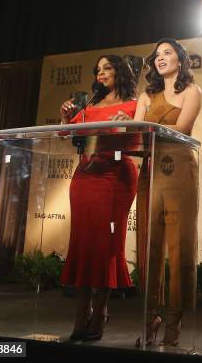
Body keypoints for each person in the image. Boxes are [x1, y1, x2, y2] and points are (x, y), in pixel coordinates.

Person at [59, 54, 138, 341]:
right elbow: (70, 134)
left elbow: (136, 141)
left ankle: (101, 310)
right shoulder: (90, 104)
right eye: (98, 69)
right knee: (82, 243)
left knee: (105, 244)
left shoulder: (133, 104)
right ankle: (82, 311)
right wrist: (66, 117)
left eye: (107, 68)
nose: (101, 73)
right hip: (84, 178)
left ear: (119, 71)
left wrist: (127, 124)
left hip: (115, 177)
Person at [133, 38, 202, 347]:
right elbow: (136, 136)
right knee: (149, 246)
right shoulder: (146, 96)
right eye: (157, 54)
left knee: (179, 245)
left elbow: (182, 130)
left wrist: (148, 128)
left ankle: (174, 321)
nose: (160, 58)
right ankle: (149, 318)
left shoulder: (192, 91)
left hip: (179, 171)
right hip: (150, 172)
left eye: (167, 52)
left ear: (180, 59)